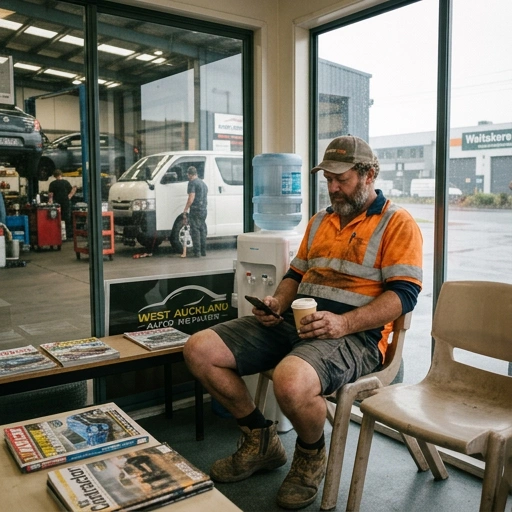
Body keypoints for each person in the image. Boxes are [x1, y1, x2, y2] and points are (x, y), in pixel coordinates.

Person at [183, 135, 423, 510]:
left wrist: (343, 325)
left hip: (358, 336)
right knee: (199, 349)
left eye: (341, 179)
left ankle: (310, 455)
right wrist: (277, 302)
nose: (333, 187)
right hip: (297, 323)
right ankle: (260, 439)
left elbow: (403, 297)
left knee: (290, 380)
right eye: (327, 179)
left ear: (369, 174)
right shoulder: (320, 221)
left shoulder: (398, 223)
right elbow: (295, 274)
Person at [182, 166, 208, 257]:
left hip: (196, 210)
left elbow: (191, 198)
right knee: (202, 230)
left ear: (190, 175)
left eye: (188, 175)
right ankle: (203, 251)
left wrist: (185, 210)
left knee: (195, 230)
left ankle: (197, 252)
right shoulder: (203, 184)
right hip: (204, 210)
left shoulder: (192, 183)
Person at [49, 169, 77, 240]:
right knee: (67, 219)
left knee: (56, 219)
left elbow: (51, 195)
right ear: (61, 174)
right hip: (66, 202)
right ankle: (68, 236)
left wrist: (50, 201)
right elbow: (73, 189)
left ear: (54, 176)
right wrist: (70, 196)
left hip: (57, 204)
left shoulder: (52, 184)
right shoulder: (66, 182)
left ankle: (57, 235)